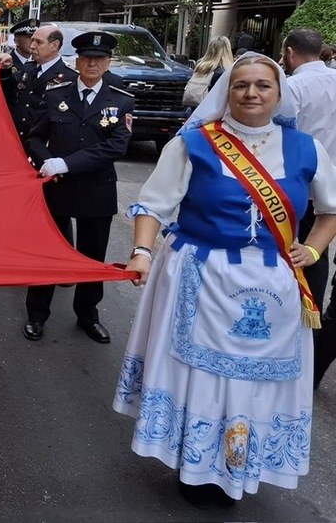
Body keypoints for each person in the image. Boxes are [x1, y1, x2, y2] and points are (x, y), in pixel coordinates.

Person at [114, 53, 336, 507]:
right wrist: (141, 253)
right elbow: (153, 205)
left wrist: (311, 249)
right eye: (241, 85)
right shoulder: (194, 144)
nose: (251, 93)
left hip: (273, 286)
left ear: (280, 94)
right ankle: (194, 464)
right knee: (201, 373)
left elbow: (331, 211)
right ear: (226, 92)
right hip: (201, 275)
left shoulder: (307, 149)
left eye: (263, 86)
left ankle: (240, 460)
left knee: (256, 381)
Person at [23, 31, 135, 344]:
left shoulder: (121, 98)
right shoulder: (56, 94)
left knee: (92, 257)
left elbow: (116, 147)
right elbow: (34, 136)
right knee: (47, 254)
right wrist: (46, 160)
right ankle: (36, 314)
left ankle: (87, 316)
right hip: (57, 186)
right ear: (77, 60)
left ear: (108, 62)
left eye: (99, 59)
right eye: (86, 58)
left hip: (96, 189)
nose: (92, 64)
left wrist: (67, 162)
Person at [282, 28, 336, 386]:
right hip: (330, 191)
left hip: (299, 184)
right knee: (317, 255)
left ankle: (288, 328)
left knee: (289, 255)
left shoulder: (293, 88)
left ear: (289, 53)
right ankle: (309, 317)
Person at [0, 24, 77, 140]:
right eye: (32, 41)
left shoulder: (70, 77)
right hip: (17, 139)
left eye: (38, 42)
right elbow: (8, 90)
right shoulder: (28, 68)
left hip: (43, 143)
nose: (32, 46)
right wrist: (6, 69)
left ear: (54, 45)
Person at [183, 35, 233, 107]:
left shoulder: (200, 67)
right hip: (211, 112)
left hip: (194, 107)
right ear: (227, 51)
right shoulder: (223, 71)